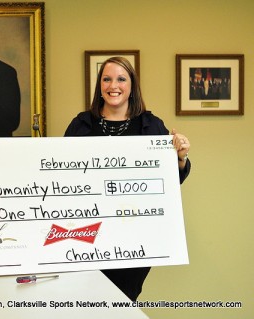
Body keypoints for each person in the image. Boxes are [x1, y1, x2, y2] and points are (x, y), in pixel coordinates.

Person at [64, 56, 191, 301]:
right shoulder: (80, 125)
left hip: (135, 237)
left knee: (124, 301)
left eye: (121, 79)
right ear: (99, 86)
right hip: (87, 236)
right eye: (107, 79)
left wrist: (181, 157)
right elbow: (62, 176)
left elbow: (169, 182)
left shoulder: (151, 125)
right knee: (86, 304)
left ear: (132, 86)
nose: (114, 85)